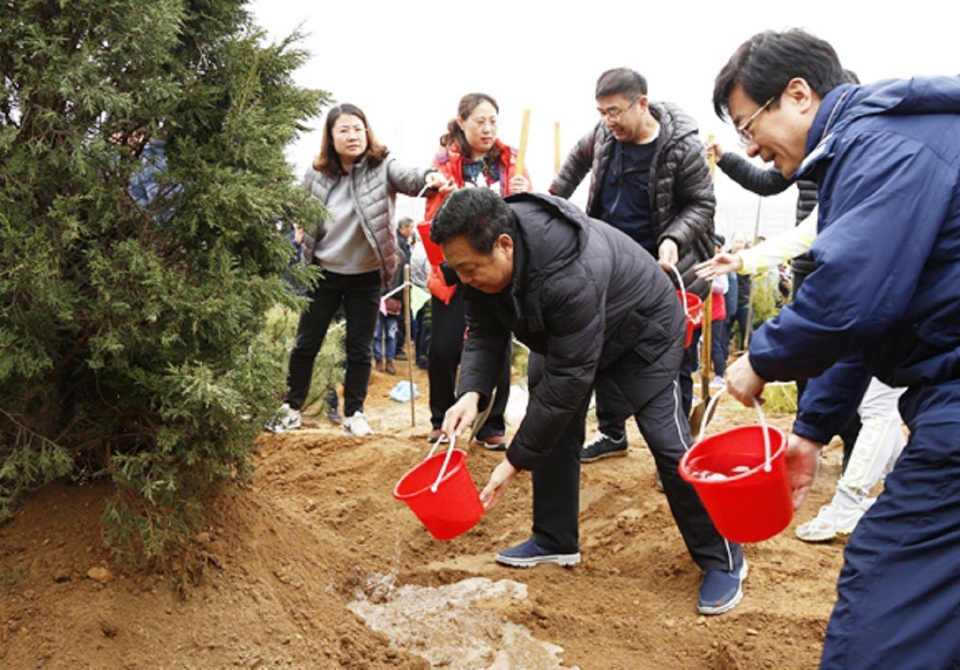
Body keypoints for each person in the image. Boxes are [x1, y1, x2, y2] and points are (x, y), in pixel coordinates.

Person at [713, 28, 960, 666]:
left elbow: (851, 298)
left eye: (748, 126)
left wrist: (761, 358)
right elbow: (875, 316)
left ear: (798, 95)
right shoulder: (888, 141)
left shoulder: (882, 149)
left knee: (887, 596)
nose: (751, 148)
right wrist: (811, 430)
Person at [433, 188, 746, 616]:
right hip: (566, 335)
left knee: (667, 441)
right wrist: (470, 393)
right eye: (457, 269)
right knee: (551, 415)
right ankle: (554, 538)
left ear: (505, 245)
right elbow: (485, 329)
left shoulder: (569, 273)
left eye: (469, 269)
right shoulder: (484, 252)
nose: (465, 279)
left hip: (642, 333)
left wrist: (514, 461)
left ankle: (724, 557)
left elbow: (567, 382)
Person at [696, 212, 906, 542]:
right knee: (883, 409)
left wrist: (764, 358)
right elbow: (810, 231)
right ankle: (900, 487)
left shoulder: (884, 189)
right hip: (892, 318)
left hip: (908, 323)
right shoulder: (846, 191)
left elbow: (844, 292)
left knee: (879, 408)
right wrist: (744, 259)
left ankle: (848, 502)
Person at [548, 68, 715, 462]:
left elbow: (702, 204)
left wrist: (673, 238)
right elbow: (569, 172)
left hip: (667, 268)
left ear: (642, 104)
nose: (609, 120)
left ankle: (677, 453)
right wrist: (545, 207)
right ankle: (612, 432)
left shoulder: (682, 147)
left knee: (672, 358)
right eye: (602, 112)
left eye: (615, 111)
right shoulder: (602, 135)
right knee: (604, 348)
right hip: (611, 267)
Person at [265, 104, 450, 436]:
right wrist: (299, 226)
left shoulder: (382, 167)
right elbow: (300, 207)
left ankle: (354, 414)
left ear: (367, 132)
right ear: (330, 136)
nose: (352, 135)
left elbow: (409, 177)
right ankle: (291, 408)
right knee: (306, 343)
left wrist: (429, 177)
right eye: (344, 130)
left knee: (359, 348)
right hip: (322, 273)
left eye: (358, 128)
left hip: (365, 276)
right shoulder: (315, 174)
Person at [421, 93, 529, 449]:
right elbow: (432, 219)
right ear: (461, 122)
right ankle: (441, 418)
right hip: (455, 270)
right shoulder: (443, 163)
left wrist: (524, 191)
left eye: (493, 121)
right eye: (480, 121)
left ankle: (490, 424)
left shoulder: (512, 161)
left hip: (495, 269)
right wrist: (445, 196)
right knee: (443, 347)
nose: (487, 128)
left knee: (497, 345)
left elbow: (525, 216)